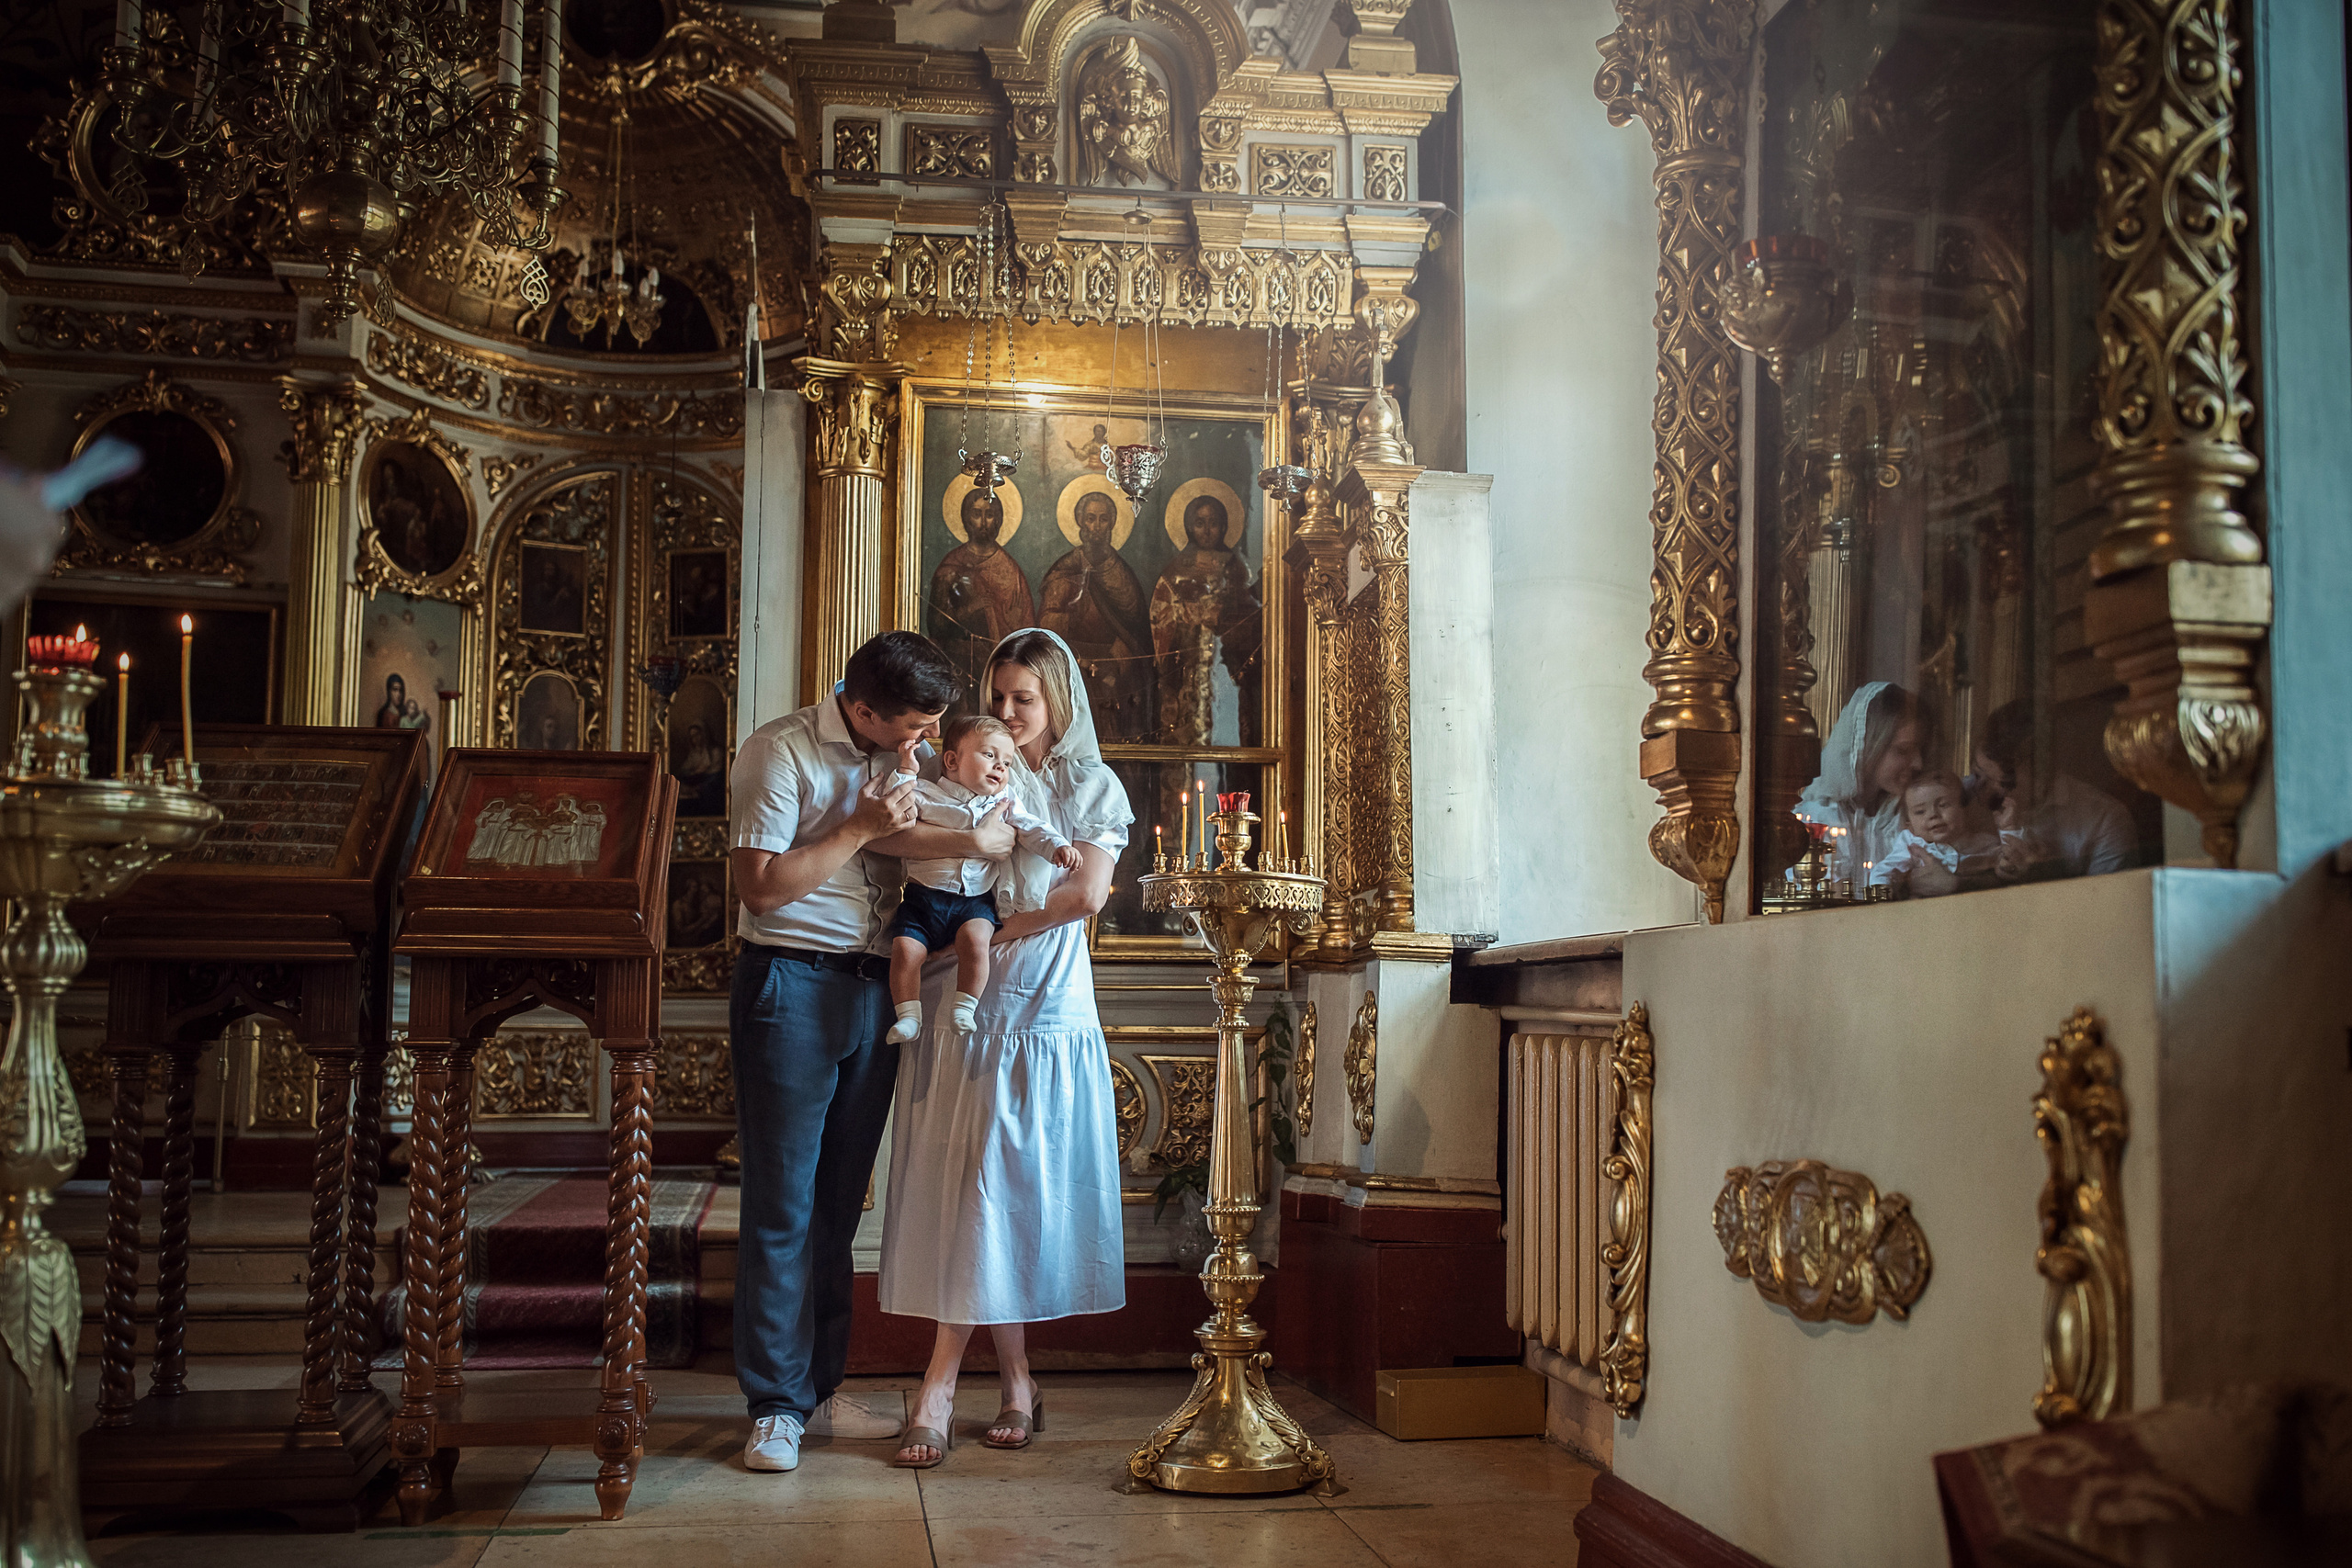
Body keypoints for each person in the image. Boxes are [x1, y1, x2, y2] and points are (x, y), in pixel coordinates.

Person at [727, 630, 1012, 1476]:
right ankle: (774, 1405)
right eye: (913, 730)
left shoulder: (900, 752)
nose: (924, 745)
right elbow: (761, 885)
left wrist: (972, 843)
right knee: (782, 1201)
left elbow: (904, 839)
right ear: (860, 707)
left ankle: (816, 1388)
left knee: (841, 1203)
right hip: (790, 981)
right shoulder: (777, 752)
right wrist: (854, 822)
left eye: (931, 730)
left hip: (872, 988)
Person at [880, 626, 1130, 1469]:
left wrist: (991, 934)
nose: (1008, 712)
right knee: (973, 1184)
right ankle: (1018, 1379)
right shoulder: (982, 767)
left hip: (1043, 1000)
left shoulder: (1092, 784)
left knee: (997, 1179)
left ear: (1058, 697)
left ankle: (939, 1384)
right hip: (967, 999)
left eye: (1023, 697)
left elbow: (1083, 893)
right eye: (997, 698)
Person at [881, 714, 1079, 1043]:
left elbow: (1032, 828)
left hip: (974, 901)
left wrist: (1056, 845)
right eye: (990, 755)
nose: (1000, 767)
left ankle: (965, 1007)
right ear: (952, 760)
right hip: (921, 899)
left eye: (1007, 761)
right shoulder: (928, 793)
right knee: (905, 951)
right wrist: (906, 767)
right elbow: (893, 806)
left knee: (976, 944)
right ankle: (908, 1016)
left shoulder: (1003, 802)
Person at [1968, 699, 2135, 882]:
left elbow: (2106, 905)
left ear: (2041, 767)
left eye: (2002, 783)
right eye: (1978, 775)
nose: (1983, 793)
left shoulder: (2104, 821)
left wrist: (2046, 875)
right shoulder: (1958, 804)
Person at [1149, 493, 1261, 745]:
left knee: (1226, 731)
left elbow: (1249, 613)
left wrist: (1224, 616)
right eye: (1200, 523)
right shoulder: (1176, 570)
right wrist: (1189, 614)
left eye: (1213, 523)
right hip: (1187, 667)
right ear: (1189, 527)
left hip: (1225, 668)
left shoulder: (1237, 568)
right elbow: (1160, 613)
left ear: (1223, 526)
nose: (1207, 531)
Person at [1039, 489, 1151, 738]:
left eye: (1103, 519)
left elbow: (1137, 626)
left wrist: (1123, 648)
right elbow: (1045, 626)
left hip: (1115, 670)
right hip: (1073, 667)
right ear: (1080, 521)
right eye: (1090, 518)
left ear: (1112, 523)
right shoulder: (1065, 569)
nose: (1096, 526)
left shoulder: (1123, 573)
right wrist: (1072, 618)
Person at [1795, 681, 1923, 886]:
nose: (1918, 763)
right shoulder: (1819, 819)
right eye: (1903, 750)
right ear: (1869, 746)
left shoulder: (1909, 817)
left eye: (1919, 750)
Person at [927, 487, 1036, 710]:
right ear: (966, 519)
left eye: (990, 514)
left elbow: (1025, 626)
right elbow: (936, 625)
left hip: (999, 667)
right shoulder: (951, 566)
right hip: (958, 664)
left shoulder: (1009, 569)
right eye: (977, 514)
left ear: (999, 520)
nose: (984, 522)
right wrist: (971, 609)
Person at [1870, 770, 2001, 897]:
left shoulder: (1983, 842)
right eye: (1920, 811)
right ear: (1909, 825)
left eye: (1943, 805)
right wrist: (1883, 894)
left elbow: (2009, 864)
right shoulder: (1912, 845)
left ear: (1964, 809)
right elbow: (1884, 870)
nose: (1933, 814)